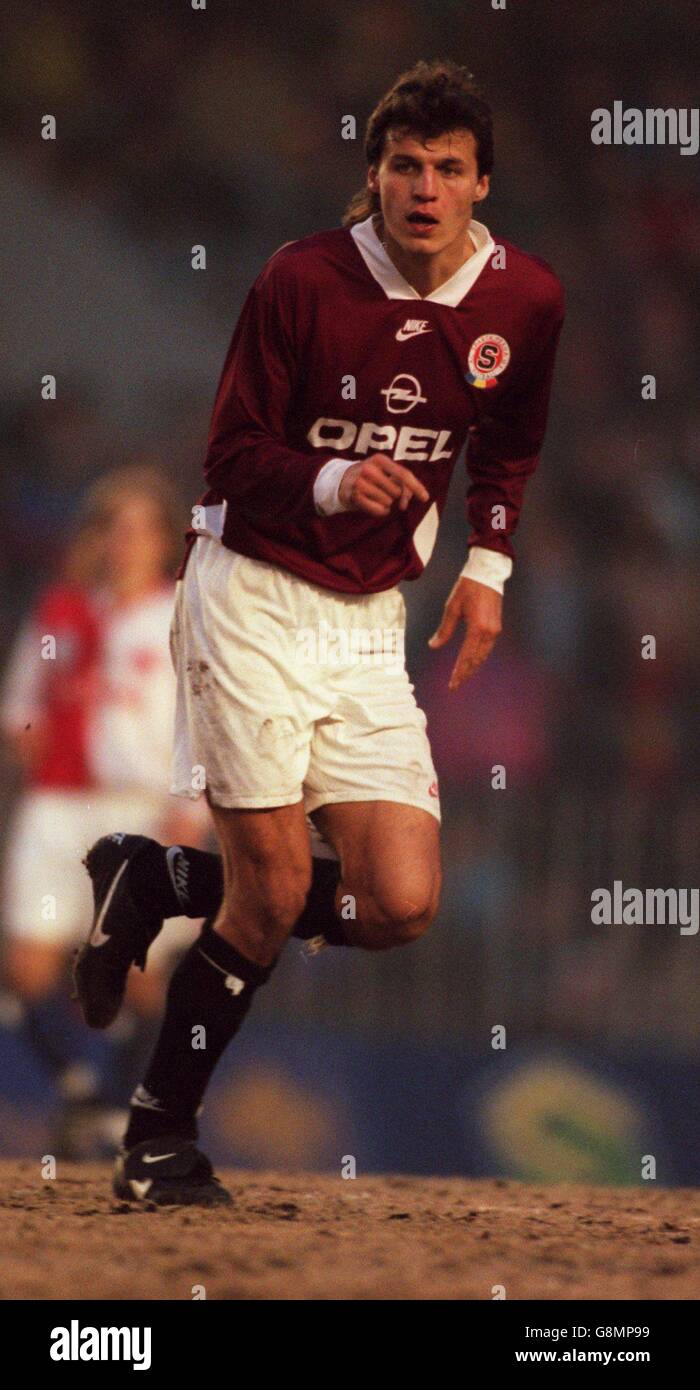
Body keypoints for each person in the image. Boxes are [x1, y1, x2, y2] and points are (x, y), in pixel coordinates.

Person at [74, 60, 565, 1206]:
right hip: (251, 594)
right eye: (405, 165)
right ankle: (156, 1137)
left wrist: (485, 565)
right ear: (376, 175)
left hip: (366, 624)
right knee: (271, 888)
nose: (425, 187)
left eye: (448, 168)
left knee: (398, 902)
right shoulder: (301, 279)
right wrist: (341, 480)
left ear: (481, 182)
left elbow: (507, 447)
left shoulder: (526, 302)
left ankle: (155, 878)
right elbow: (233, 457)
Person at [1, 466, 207, 1156]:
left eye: (137, 529)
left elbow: (206, 717)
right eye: (109, 528)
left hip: (145, 808)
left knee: (142, 977)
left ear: (161, 541)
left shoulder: (183, 613)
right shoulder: (62, 609)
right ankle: (81, 1093)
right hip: (60, 805)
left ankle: (120, 1112)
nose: (121, 543)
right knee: (28, 968)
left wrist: (192, 806)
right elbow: (21, 708)